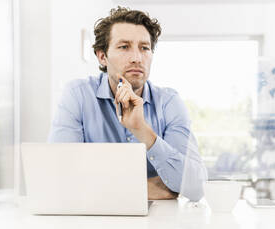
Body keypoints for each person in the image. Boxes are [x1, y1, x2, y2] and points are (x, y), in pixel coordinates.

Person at [48, 6, 205, 201]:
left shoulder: (169, 102)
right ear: (102, 56)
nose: (137, 58)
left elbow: (195, 187)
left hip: (159, 226)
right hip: (93, 223)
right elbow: (59, 178)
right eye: (124, 47)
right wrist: (160, 187)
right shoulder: (78, 96)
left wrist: (142, 130)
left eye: (144, 48)